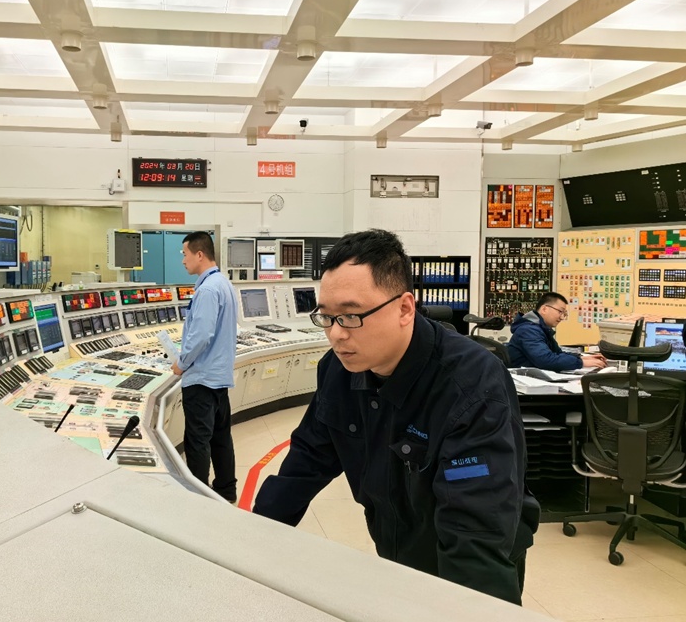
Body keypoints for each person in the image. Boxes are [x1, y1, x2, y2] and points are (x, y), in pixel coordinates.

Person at [253, 229, 539, 606]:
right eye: (327, 317)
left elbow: (476, 531)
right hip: (394, 553)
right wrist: (253, 540)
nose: (336, 335)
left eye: (351, 316)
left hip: (468, 569)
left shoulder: (471, 384)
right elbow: (307, 459)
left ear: (405, 308)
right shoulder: (338, 370)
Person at [171, 231, 239, 503]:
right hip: (219, 377)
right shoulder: (223, 283)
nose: (183, 260)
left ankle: (199, 499)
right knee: (221, 438)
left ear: (199, 254)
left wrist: (181, 364)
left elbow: (201, 335)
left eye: (185, 254)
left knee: (198, 442)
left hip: (201, 380)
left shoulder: (208, 289)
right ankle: (226, 490)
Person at [506, 292, 606, 371]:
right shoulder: (528, 330)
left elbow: (557, 354)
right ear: (544, 309)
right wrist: (581, 363)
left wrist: (581, 358)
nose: (562, 317)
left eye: (564, 314)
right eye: (560, 311)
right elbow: (545, 360)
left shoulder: (541, 329)